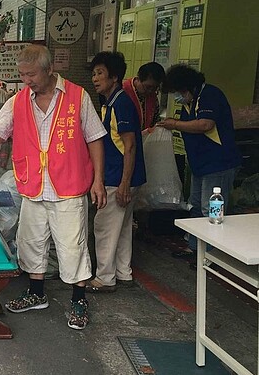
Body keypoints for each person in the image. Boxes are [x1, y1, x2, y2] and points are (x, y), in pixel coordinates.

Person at [0, 44, 107, 330]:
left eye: (31, 74)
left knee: (72, 245)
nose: (27, 80)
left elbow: (95, 139)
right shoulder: (18, 101)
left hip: (68, 184)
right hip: (33, 184)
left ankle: (78, 299)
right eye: (22, 74)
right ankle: (36, 292)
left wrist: (99, 181)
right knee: (31, 242)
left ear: (49, 69)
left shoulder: (78, 97)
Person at [157, 64, 241, 264]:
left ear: (187, 87)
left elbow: (205, 124)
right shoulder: (188, 103)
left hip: (218, 164)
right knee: (194, 207)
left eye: (178, 92)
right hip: (199, 164)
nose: (177, 96)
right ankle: (195, 247)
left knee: (211, 210)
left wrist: (174, 124)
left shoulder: (209, 95)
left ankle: (211, 256)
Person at [86, 52, 146, 293]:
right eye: (93, 74)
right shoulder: (110, 102)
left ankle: (105, 278)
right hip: (124, 177)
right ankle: (123, 273)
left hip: (117, 178)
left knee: (105, 227)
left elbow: (129, 145)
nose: (95, 79)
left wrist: (123, 183)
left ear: (114, 77)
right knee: (121, 228)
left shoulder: (121, 103)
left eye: (100, 73)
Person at [122, 62, 165, 131]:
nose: (150, 91)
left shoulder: (152, 95)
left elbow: (155, 120)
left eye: (155, 88)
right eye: (148, 87)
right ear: (138, 79)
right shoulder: (123, 91)